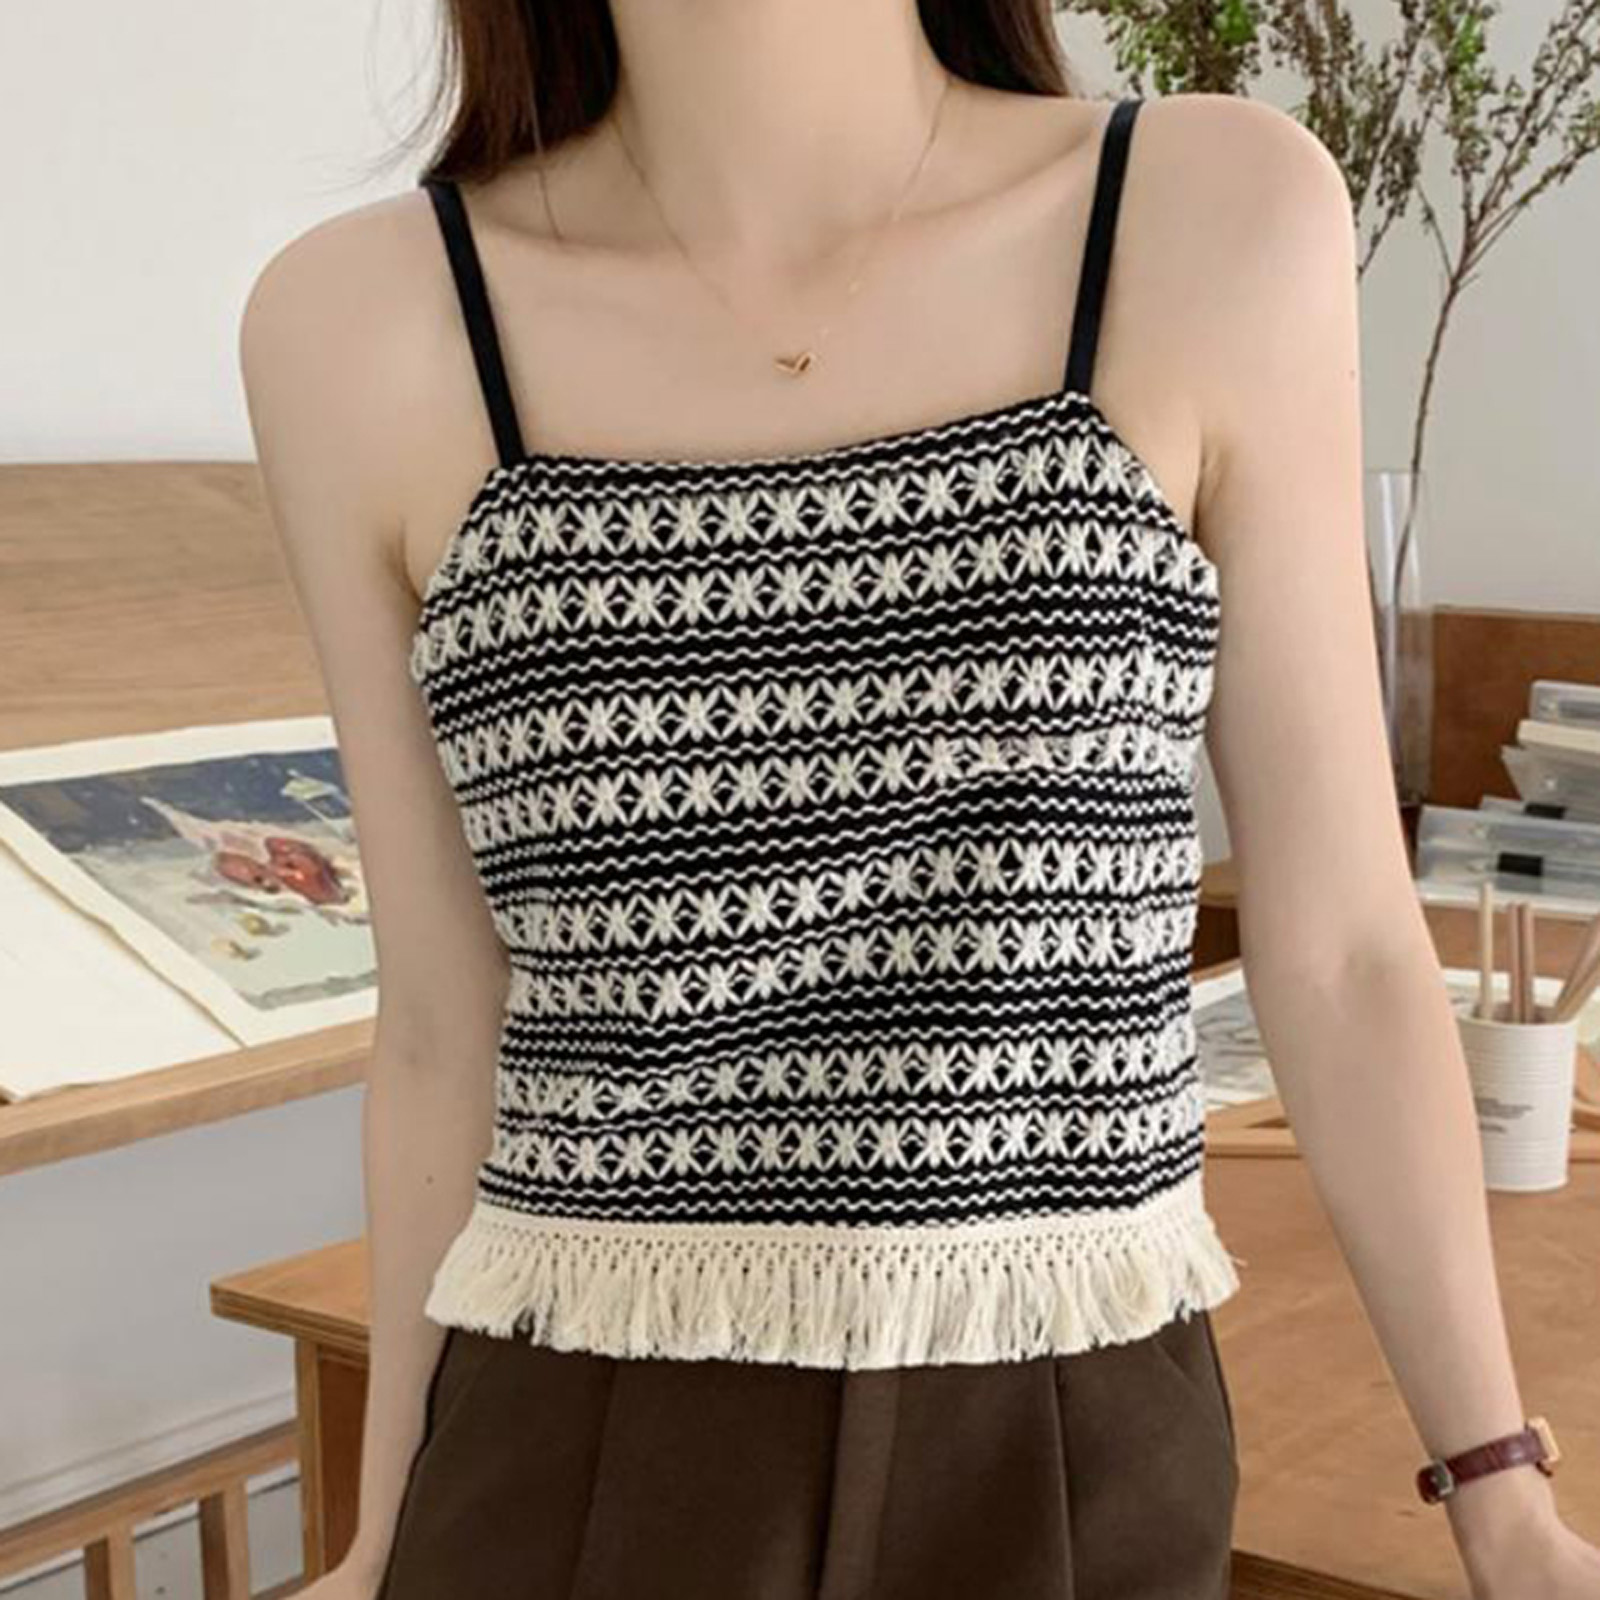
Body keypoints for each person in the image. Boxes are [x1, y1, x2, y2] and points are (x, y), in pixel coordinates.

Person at [239, 3, 1600, 1597]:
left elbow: (1347, 945)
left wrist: (1502, 1500)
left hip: (1063, 1414)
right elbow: (439, 1018)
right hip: (575, 1423)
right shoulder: (360, 323)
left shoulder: (1209, 216)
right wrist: (379, 1543)